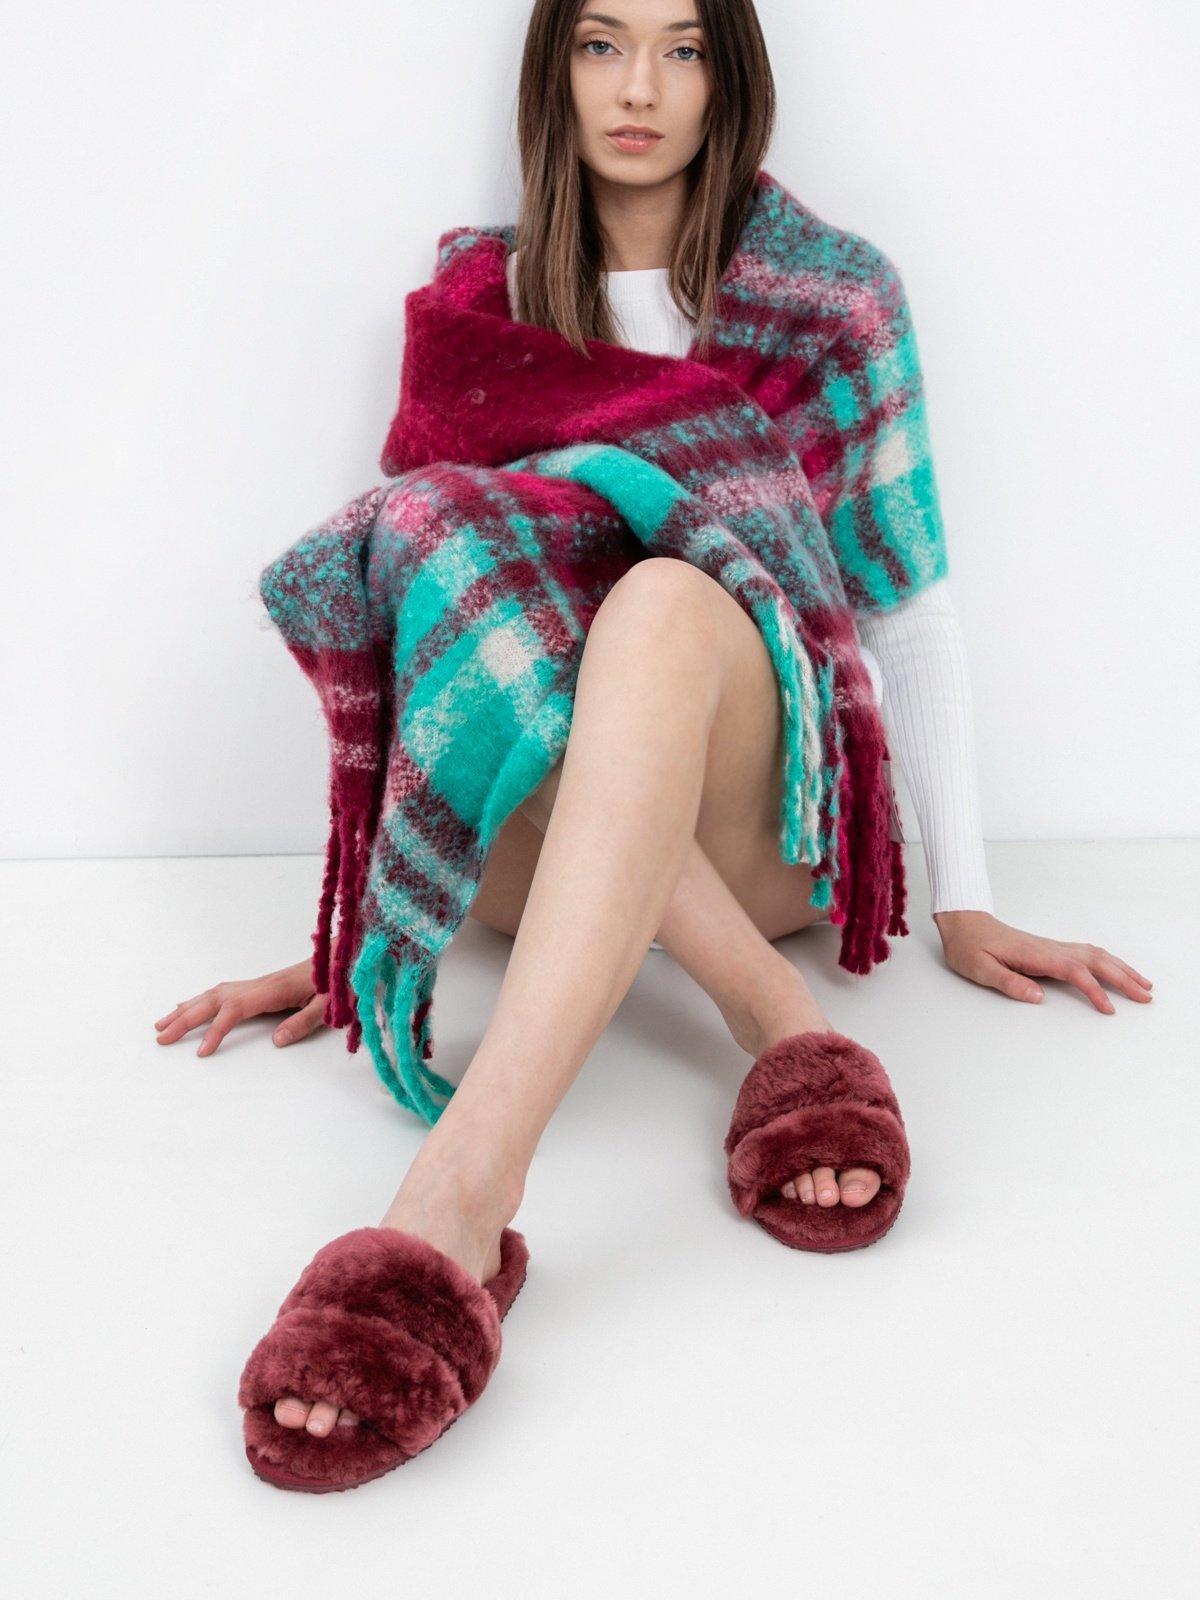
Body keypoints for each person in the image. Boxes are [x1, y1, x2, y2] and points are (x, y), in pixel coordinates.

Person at [153, 0, 1153, 1450]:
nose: (639, 87)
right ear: (552, 71)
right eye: (601, 44)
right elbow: (429, 639)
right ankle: (775, 1015)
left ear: (728, 78)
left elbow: (906, 604)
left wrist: (968, 898)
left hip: (758, 816)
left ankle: (462, 1189)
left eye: (682, 49)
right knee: (442, 548)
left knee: (665, 602)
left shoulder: (832, 298)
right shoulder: (480, 301)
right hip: (538, 833)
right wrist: (366, 927)